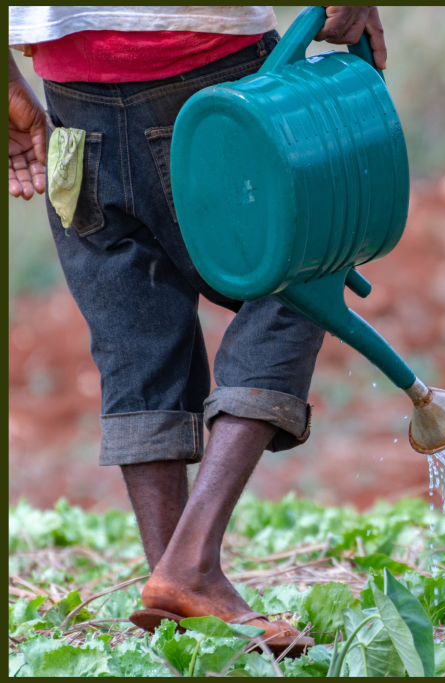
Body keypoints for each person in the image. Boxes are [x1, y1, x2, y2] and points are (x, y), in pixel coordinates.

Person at [8, 5, 387, 657]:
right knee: (301, 276)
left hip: (74, 101)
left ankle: (179, 597)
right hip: (217, 72)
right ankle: (192, 563)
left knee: (134, 331)